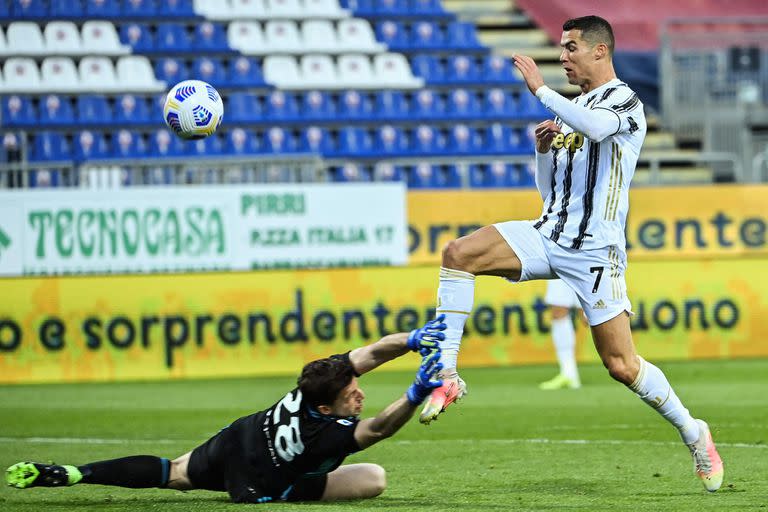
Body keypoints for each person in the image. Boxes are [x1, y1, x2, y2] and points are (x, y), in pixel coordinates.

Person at [419, 15, 724, 492]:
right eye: (561, 48)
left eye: (571, 48)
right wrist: (543, 151)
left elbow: (598, 129)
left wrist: (540, 90)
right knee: (459, 253)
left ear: (600, 52)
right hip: (549, 233)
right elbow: (549, 190)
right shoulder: (570, 109)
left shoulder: (624, 102)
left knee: (622, 366)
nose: (562, 57)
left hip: (595, 254)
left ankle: (694, 431)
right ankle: (448, 372)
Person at [6, 318, 446, 504]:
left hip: (240, 438)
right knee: (375, 478)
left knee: (175, 473)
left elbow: (369, 354)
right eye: (352, 394)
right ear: (326, 408)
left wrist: (411, 340)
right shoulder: (326, 434)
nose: (360, 393)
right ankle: (291, 490)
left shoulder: (314, 384)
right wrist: (413, 394)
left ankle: (73, 473)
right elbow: (379, 430)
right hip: (261, 483)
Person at [539, 279, 582, 390]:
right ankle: (568, 372)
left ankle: (626, 363)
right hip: (559, 263)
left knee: (590, 314)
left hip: (589, 264)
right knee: (558, 310)